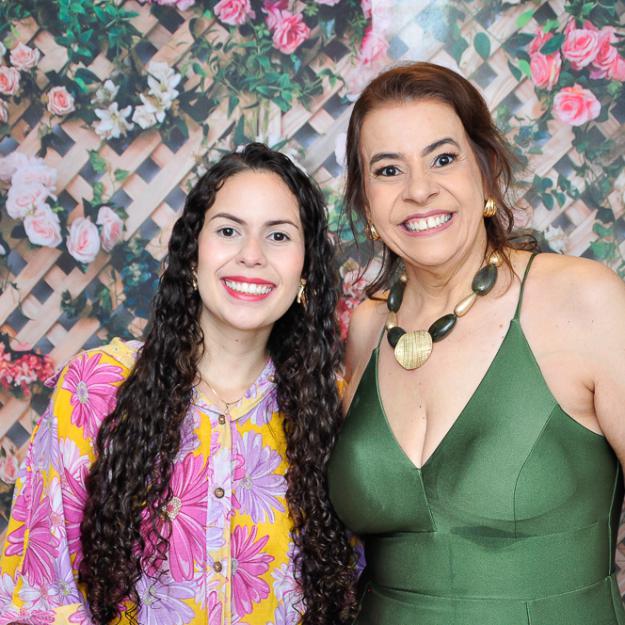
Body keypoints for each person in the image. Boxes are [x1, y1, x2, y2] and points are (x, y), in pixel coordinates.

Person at [0, 143, 356, 625]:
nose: (251, 255)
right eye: (228, 231)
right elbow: (38, 595)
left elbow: (350, 588)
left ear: (305, 272)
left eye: (278, 236)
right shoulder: (95, 388)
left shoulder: (329, 411)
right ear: (192, 257)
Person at [327, 62, 625, 625]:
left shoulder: (584, 300)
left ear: (485, 171)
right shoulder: (367, 328)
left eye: (443, 159)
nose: (419, 190)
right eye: (388, 170)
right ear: (365, 201)